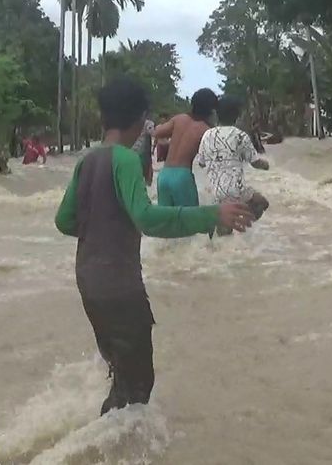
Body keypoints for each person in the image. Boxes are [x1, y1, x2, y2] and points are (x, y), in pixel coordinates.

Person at [54, 78, 254, 416]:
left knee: (122, 376)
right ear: (139, 119)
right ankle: (106, 445)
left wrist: (105, 230)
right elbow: (146, 217)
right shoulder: (126, 161)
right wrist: (212, 215)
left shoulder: (86, 161)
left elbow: (64, 221)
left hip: (88, 281)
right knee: (138, 387)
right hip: (120, 285)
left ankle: (105, 440)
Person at [198, 96, 270, 236]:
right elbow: (255, 163)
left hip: (216, 191)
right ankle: (244, 226)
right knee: (262, 203)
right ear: (237, 116)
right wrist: (266, 165)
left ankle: (224, 247)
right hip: (237, 190)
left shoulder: (207, 135)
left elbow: (201, 163)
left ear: (217, 114)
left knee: (223, 232)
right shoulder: (241, 136)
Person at [152, 89, 218, 207]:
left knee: (167, 219)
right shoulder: (206, 129)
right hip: (182, 176)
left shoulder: (179, 119)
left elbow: (157, 132)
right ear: (211, 109)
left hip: (164, 175)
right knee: (189, 220)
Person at [132, 117, 154, 185]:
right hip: (142, 152)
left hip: (132, 151)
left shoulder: (131, 122)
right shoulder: (148, 123)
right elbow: (153, 133)